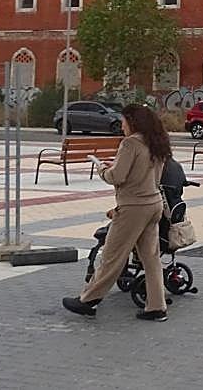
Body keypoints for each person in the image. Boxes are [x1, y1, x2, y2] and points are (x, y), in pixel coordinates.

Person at [63, 103, 172, 321]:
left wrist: (101, 168)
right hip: (154, 204)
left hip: (133, 207)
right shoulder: (157, 142)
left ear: (133, 122)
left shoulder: (130, 144)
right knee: (151, 259)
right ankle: (156, 306)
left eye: (123, 122)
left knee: (112, 256)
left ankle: (88, 300)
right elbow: (149, 173)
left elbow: (117, 177)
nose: (121, 126)